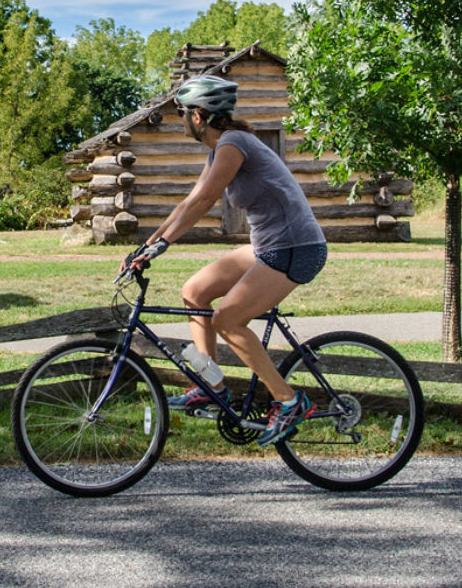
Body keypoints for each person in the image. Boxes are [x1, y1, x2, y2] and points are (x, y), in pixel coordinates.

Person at [121, 74, 329, 447]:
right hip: (269, 244)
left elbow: (205, 202)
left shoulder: (234, 143)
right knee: (195, 292)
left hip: (295, 246)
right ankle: (211, 386)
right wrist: (147, 246)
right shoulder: (220, 149)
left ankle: (289, 400)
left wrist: (165, 244)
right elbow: (190, 200)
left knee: (229, 319)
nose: (180, 119)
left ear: (199, 116)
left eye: (183, 112)